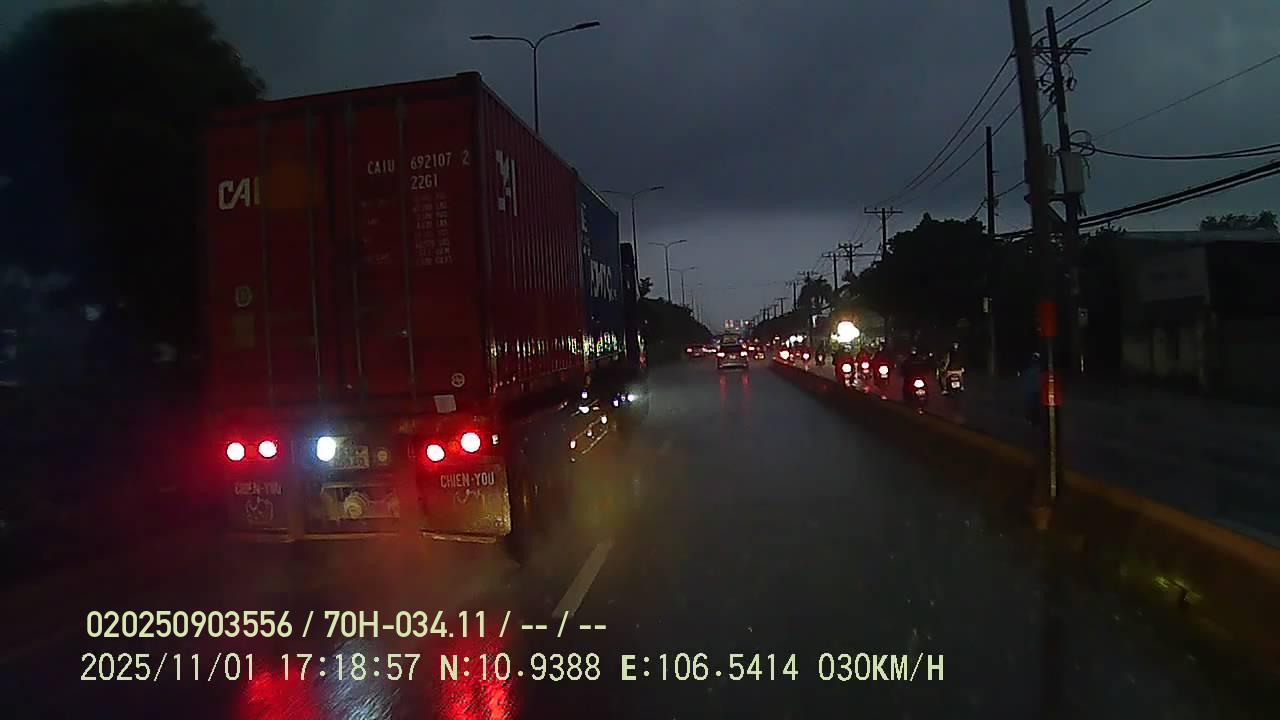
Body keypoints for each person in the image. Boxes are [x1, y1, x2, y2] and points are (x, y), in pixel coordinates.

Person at [1020, 351, 1042, 425]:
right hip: (1034, 389)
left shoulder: (1032, 367)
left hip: (1032, 390)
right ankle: (1033, 419)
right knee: (1034, 406)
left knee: (1032, 405)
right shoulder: (1037, 368)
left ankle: (1032, 419)